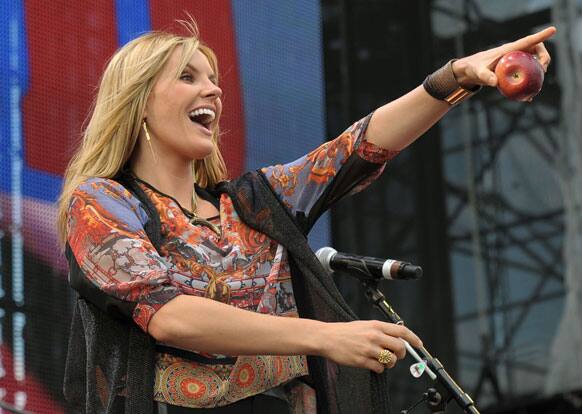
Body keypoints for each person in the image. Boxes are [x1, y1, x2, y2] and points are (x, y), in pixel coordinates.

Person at [57, 19, 554, 414]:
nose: (213, 91)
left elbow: (359, 147)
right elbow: (171, 316)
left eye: (213, 79)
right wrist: (326, 336)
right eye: (188, 77)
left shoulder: (253, 204)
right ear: (139, 102)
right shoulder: (102, 203)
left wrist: (458, 76)